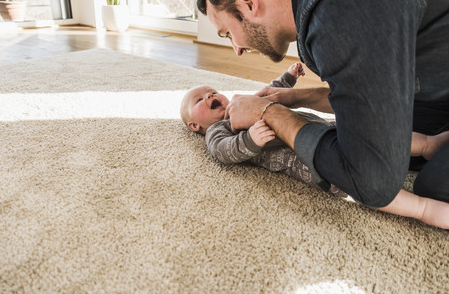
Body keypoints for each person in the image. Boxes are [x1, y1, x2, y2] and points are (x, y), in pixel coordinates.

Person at [196, 0, 449, 216]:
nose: (236, 49)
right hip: (436, 89)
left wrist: (271, 113)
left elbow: (373, 182)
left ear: (248, 1)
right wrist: (295, 97)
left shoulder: (337, 10)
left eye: (228, 33)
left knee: (429, 186)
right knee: (394, 142)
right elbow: (365, 91)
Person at [180, 63, 449, 229]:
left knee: (373, 137)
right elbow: (222, 152)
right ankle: (424, 209)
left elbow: (270, 93)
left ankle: (428, 144)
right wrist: (249, 139)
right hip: (312, 161)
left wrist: (288, 77)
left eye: (211, 91)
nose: (210, 96)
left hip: (324, 129)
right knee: (360, 184)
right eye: (199, 100)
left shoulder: (241, 103)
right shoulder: (218, 130)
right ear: (194, 126)